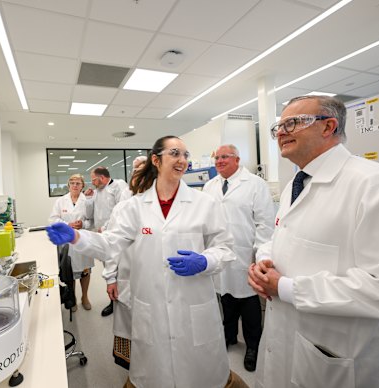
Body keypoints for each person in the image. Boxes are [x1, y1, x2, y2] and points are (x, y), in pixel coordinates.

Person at [248, 95, 379, 387]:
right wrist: (264, 261)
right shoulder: (298, 183)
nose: (280, 132)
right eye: (278, 126)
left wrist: (286, 287)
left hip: (346, 355)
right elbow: (285, 235)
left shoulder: (378, 186)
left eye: (292, 123)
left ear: (328, 126)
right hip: (292, 337)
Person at [47, 136, 248, 388]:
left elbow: (226, 247)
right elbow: (110, 244)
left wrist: (205, 261)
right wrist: (77, 236)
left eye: (186, 155)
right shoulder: (134, 208)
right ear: (156, 160)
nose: (182, 160)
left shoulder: (204, 203)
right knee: (154, 373)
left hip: (194, 302)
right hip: (150, 303)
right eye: (175, 153)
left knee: (202, 373)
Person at [203, 144, 275, 372]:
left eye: (225, 157)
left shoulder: (255, 184)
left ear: (237, 159)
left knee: (249, 301)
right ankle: (229, 335)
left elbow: (265, 223)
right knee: (225, 296)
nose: (219, 161)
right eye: (217, 157)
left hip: (246, 252)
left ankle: (253, 346)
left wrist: (261, 254)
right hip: (218, 251)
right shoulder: (209, 185)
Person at [105, 155, 147, 370]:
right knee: (129, 326)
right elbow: (112, 247)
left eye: (144, 172)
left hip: (154, 281)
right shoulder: (122, 208)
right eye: (135, 172)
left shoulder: (161, 206)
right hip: (127, 277)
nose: (139, 177)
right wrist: (110, 277)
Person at [84, 166, 129, 317]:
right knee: (109, 270)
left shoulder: (119, 186)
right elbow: (90, 215)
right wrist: (89, 199)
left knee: (121, 270)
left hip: (117, 236)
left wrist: (106, 227)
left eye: (93, 180)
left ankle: (124, 303)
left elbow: (121, 211)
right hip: (103, 236)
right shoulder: (96, 191)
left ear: (102, 178)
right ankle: (113, 301)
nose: (92, 183)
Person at [49, 174, 93, 311]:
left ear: (82, 185)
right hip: (67, 242)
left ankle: (84, 297)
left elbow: (92, 220)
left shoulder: (88, 201)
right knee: (70, 272)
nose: (75, 185)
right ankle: (72, 298)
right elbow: (53, 219)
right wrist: (67, 224)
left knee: (85, 271)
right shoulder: (61, 201)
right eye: (72, 182)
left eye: (78, 183)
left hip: (83, 239)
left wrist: (83, 224)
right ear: (68, 185)